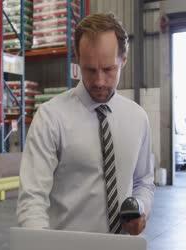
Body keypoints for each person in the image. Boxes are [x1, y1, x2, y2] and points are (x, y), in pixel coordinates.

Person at [16, 13, 155, 235]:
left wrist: (140, 208)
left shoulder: (138, 119)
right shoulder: (51, 117)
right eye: (90, 70)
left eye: (109, 69)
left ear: (123, 60)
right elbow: (32, 197)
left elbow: (143, 182)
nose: (99, 81)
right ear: (78, 60)